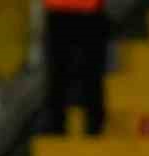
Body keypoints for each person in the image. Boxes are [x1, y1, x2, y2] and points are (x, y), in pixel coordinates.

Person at [42, 0, 108, 136]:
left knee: (85, 73)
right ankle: (60, 127)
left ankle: (92, 126)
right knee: (65, 74)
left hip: (81, 12)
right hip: (70, 12)